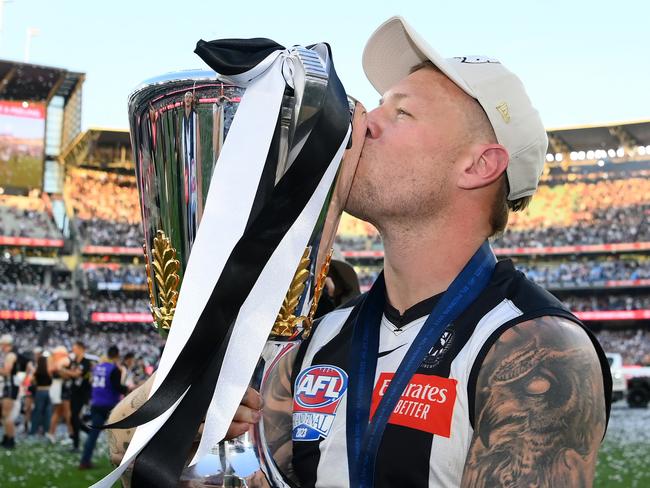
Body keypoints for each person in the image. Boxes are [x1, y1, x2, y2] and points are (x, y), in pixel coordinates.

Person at [109, 17, 611, 487]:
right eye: (377, 105)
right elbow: (137, 450)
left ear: (478, 166)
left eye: (402, 112)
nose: (363, 124)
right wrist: (175, 410)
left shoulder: (535, 347)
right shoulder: (326, 332)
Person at [80, 345, 127, 469]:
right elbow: (118, 387)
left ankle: (85, 461)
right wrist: (130, 389)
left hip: (96, 403)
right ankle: (122, 462)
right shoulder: (114, 369)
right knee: (119, 435)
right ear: (117, 355)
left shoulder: (97, 368)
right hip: (111, 405)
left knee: (93, 435)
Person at [65, 341, 93, 452]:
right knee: (73, 418)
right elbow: (70, 374)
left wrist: (64, 370)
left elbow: (77, 374)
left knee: (74, 417)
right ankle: (89, 433)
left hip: (82, 393)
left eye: (75, 348)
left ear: (81, 349)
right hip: (73, 391)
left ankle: (76, 444)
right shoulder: (73, 361)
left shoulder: (85, 362)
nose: (73, 350)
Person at [0, 334, 18, 449]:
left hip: (10, 387)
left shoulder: (10, 355)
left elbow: (7, 371)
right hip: (8, 386)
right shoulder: (9, 355)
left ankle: (10, 439)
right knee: (4, 414)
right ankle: (7, 437)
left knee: (7, 415)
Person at [30, 354, 52, 436]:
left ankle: (33, 430)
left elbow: (33, 382)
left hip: (39, 392)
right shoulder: (49, 371)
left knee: (37, 411)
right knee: (48, 412)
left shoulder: (37, 372)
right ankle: (46, 430)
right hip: (48, 391)